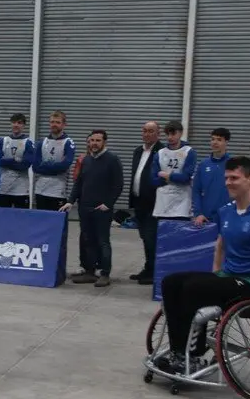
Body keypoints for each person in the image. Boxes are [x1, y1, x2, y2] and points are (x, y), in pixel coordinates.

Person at [157, 156, 250, 374]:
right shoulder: (226, 211)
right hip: (227, 278)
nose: (228, 182)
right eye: (226, 178)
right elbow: (221, 243)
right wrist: (215, 273)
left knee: (193, 288)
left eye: (234, 178)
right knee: (171, 282)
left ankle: (193, 356)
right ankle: (178, 351)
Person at [59, 130, 124, 287]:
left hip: (102, 210)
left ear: (104, 142)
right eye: (92, 140)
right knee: (87, 240)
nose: (94, 143)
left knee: (103, 241)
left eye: (98, 140)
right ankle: (89, 271)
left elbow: (118, 185)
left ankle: (105, 274)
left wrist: (108, 204)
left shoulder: (112, 159)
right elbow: (79, 183)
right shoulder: (87, 159)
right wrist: (70, 201)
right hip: (85, 208)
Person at [128, 121, 165, 284]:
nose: (147, 134)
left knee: (151, 238)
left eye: (151, 131)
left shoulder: (162, 151)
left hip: (153, 202)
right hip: (139, 201)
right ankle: (148, 268)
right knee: (144, 237)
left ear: (158, 133)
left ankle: (153, 271)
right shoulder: (138, 151)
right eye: (144, 131)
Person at [151, 120, 197, 220]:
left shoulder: (189, 152)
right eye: (168, 134)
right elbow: (153, 180)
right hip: (163, 205)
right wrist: (174, 178)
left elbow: (186, 178)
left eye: (173, 134)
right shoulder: (160, 153)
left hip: (182, 206)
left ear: (180, 133)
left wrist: (168, 176)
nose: (170, 137)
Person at [33, 111, 75, 211]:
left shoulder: (68, 142)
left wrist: (45, 165)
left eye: (57, 122)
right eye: (52, 122)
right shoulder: (42, 142)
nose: (54, 124)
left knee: (57, 220)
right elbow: (35, 167)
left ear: (64, 124)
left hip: (58, 191)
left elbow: (65, 165)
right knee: (40, 219)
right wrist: (56, 167)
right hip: (40, 190)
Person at [191, 127, 232, 226]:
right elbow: (196, 190)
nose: (215, 142)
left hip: (229, 217)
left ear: (226, 142)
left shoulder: (233, 164)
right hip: (206, 218)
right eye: (213, 139)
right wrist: (198, 213)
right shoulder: (203, 165)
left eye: (219, 140)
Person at [0, 113, 34, 209]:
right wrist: (14, 160)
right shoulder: (3, 141)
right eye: (14, 122)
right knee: (2, 216)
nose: (16, 125)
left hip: (21, 190)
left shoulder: (28, 143)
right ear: (11, 123)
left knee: (22, 217)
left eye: (19, 123)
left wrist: (6, 161)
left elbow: (25, 165)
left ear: (23, 125)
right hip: (3, 189)